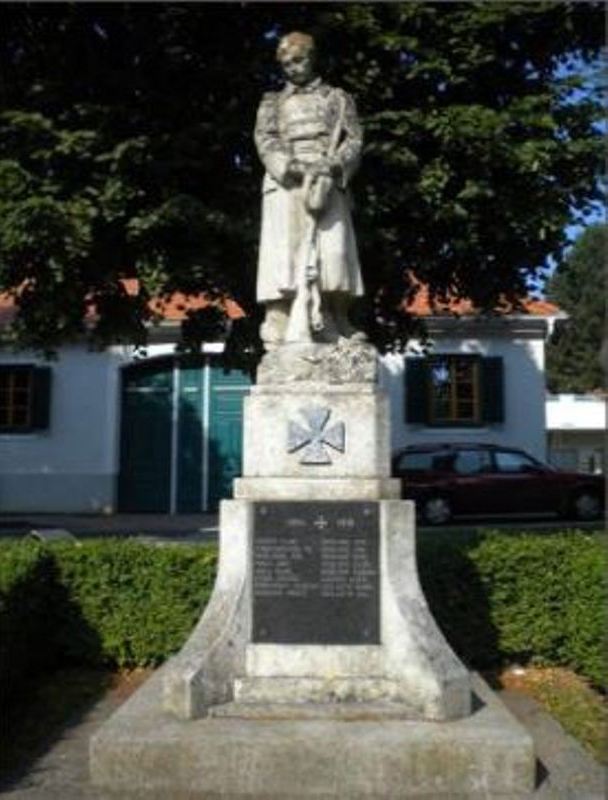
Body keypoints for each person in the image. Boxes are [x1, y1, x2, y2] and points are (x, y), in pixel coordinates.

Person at [254, 31, 365, 349]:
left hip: (327, 179)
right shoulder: (271, 103)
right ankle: (280, 316)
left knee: (334, 252)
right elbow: (265, 139)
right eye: (286, 63)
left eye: (298, 60)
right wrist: (289, 167)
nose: (292, 68)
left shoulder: (339, 99)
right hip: (286, 183)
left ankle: (336, 316)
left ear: (313, 58)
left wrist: (334, 165)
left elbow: (354, 139)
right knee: (285, 254)